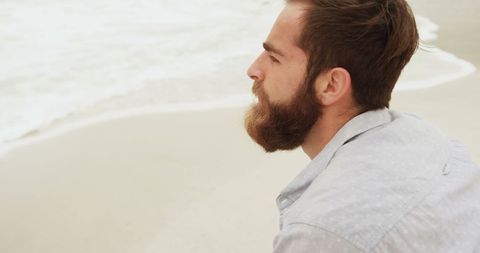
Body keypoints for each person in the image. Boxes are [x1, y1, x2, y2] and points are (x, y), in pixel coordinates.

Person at [243, 0, 480, 252]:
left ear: (331, 85)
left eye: (274, 58)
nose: (253, 69)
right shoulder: (436, 145)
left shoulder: (321, 233)